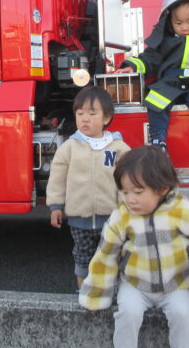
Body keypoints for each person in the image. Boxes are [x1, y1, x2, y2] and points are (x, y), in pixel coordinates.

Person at [79, 145, 189, 348]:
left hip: (175, 285)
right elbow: (106, 254)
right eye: (125, 192)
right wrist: (96, 292)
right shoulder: (122, 215)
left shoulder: (183, 209)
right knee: (127, 314)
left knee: (183, 315)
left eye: (138, 191)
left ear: (162, 188)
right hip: (135, 285)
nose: (130, 199)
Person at [116, 0, 189, 165]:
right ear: (169, 21)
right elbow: (150, 59)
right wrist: (133, 65)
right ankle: (158, 145)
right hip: (169, 83)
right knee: (155, 100)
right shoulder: (165, 41)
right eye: (178, 23)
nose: (184, 27)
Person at [46, 85, 131, 289]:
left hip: (111, 220)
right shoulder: (70, 147)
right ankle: (84, 291)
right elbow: (57, 177)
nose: (85, 118)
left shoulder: (118, 147)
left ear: (106, 118)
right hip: (79, 219)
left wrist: (126, 210)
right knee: (82, 258)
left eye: (92, 114)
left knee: (113, 256)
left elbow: (128, 181)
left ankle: (115, 291)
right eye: (80, 113)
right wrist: (55, 206)